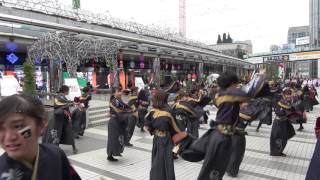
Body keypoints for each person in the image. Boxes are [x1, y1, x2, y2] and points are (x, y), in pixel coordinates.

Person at [196, 70, 266, 180]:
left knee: (212, 167)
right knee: (213, 169)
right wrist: (260, 76)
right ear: (232, 83)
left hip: (219, 133)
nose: (238, 86)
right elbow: (250, 92)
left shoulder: (220, 93)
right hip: (221, 136)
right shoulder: (230, 93)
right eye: (236, 84)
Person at [0, 94, 81, 180]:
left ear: (41, 125)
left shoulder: (56, 155)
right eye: (1, 128)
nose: (9, 137)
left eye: (18, 126)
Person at [144, 90, 183, 180]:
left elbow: (146, 124)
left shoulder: (153, 110)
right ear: (164, 99)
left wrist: (153, 131)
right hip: (165, 140)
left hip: (159, 140)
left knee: (158, 163)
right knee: (163, 163)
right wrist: (178, 145)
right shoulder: (168, 111)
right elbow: (176, 128)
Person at [43, 85, 78, 154]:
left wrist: (71, 103)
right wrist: (72, 103)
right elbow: (63, 103)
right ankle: (53, 148)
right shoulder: (59, 96)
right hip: (58, 119)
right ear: (65, 90)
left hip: (63, 119)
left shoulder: (61, 96)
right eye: (68, 90)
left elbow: (65, 103)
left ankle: (73, 148)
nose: (68, 91)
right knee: (56, 134)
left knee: (66, 133)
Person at [107, 86, 133, 161]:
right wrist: (129, 112)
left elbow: (127, 107)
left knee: (120, 137)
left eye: (120, 91)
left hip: (119, 122)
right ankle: (110, 155)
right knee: (113, 139)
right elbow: (120, 112)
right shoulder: (114, 101)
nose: (120, 93)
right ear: (114, 93)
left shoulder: (119, 100)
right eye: (118, 91)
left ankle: (117, 152)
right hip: (115, 122)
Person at [270, 87, 296, 156]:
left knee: (284, 138)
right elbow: (288, 109)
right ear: (284, 95)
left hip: (284, 122)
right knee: (278, 138)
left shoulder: (288, 101)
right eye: (287, 94)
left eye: (289, 94)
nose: (289, 95)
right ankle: (276, 152)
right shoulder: (282, 101)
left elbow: (291, 109)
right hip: (279, 123)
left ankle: (278, 151)